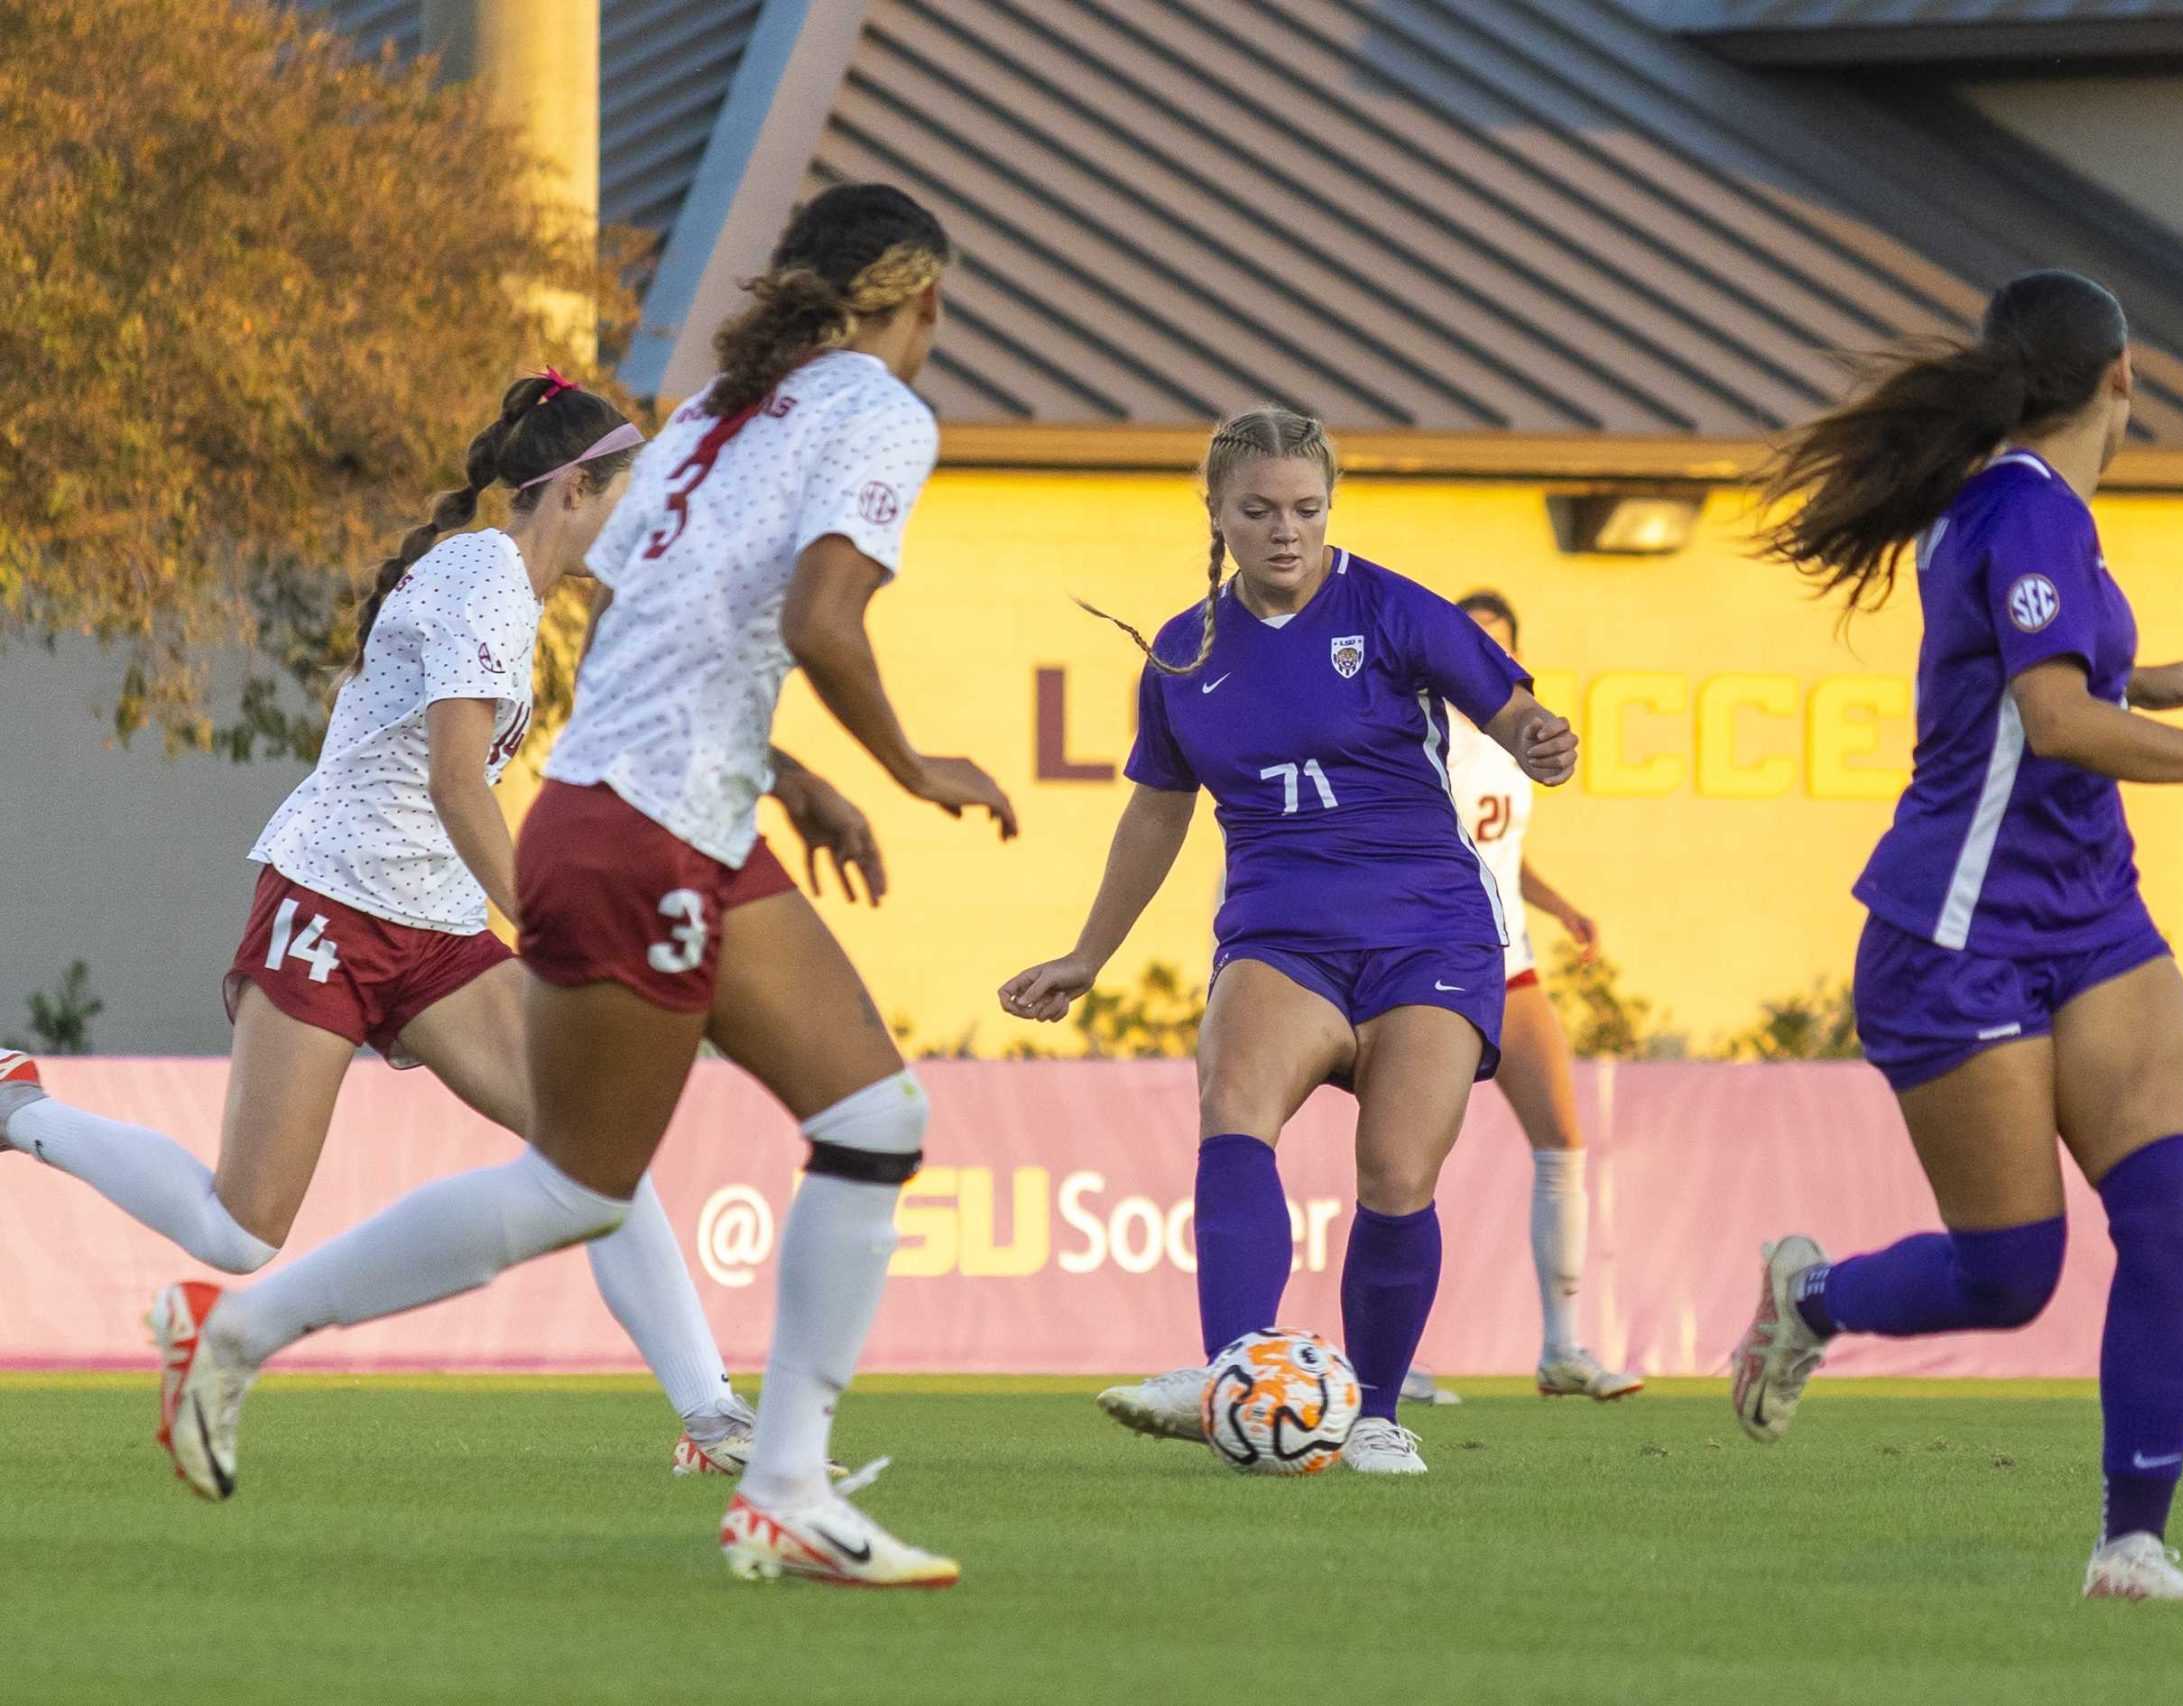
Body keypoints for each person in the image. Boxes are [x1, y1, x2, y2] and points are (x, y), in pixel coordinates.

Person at [141, 183, 1017, 1589]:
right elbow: (818, 619)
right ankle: (234, 1326)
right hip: (649, 830)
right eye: (939, 311)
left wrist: (790, 779)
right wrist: (914, 767)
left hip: (663, 814)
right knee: (580, 1186)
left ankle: (781, 1484)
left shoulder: (722, 415)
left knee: (870, 1111)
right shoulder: (876, 413)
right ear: (918, 303)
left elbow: (660, 625)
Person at [1729, 270, 2183, 1602]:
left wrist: (2159, 677)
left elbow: (2053, 685)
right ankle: (1814, 1300)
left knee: (2169, 1213)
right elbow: (2058, 722)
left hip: (2090, 916)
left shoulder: (2045, 516)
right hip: (1957, 933)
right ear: (2123, 375)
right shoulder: (2021, 508)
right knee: (2013, 1271)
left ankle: (2132, 1542)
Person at [0, 371, 770, 1472]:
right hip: (332, 899)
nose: (640, 517)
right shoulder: (483, 580)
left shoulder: (516, 590)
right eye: (627, 494)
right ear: (573, 494)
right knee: (239, 1231)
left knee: (598, 1149)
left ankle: (712, 1418)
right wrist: (552, 928)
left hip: (436, 928)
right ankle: (18, 1105)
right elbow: (463, 787)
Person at [999, 406, 1578, 1475]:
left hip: (1425, 928)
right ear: (1215, 512)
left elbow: (1509, 711)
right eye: (1258, 509)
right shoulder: (1183, 650)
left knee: (1397, 1172)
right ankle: (1235, 1369)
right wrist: (1088, 952)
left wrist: (1537, 739)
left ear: (1329, 510)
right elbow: (1156, 812)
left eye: (1306, 509)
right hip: (1282, 929)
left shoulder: (1392, 605)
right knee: (1232, 1103)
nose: (1285, 530)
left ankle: (1377, 1411)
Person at [1426, 590, 1639, 1403]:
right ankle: (1394, 1355)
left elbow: (1505, 853)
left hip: (1510, 964)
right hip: (1435, 966)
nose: (1481, 655)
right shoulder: (1421, 736)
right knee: (1409, 1163)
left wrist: (1564, 909)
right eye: (1469, 641)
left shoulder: (1515, 743)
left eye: (1497, 644)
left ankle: (1562, 1349)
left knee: (1561, 1144)